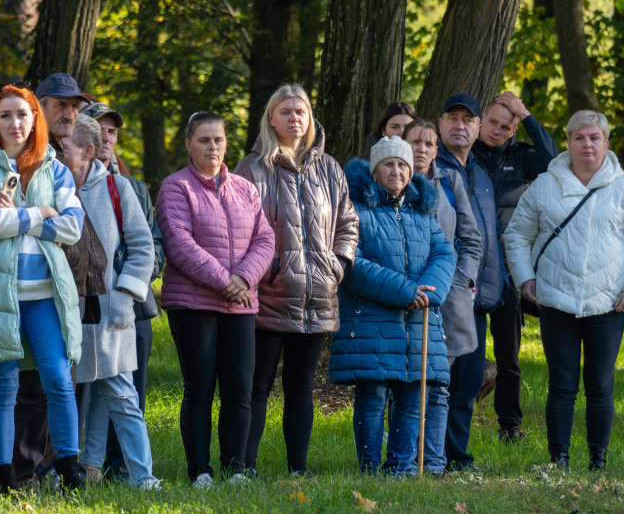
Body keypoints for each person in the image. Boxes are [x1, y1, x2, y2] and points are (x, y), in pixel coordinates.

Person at [504, 110, 624, 471]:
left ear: (606, 143)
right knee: (561, 385)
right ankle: (558, 460)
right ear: (569, 142)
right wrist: (525, 277)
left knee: (600, 386)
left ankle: (597, 462)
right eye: (579, 137)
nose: (587, 144)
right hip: (556, 301)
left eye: (594, 138)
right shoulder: (545, 185)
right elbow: (516, 235)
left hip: (607, 304)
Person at [0, 84, 85, 494]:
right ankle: (3, 478)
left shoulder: (56, 168)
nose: (15, 123)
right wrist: (41, 212)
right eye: (5, 115)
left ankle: (70, 469)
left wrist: (18, 215)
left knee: (58, 378)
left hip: (45, 298)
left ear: (36, 119)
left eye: (22, 114)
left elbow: (72, 228)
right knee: (4, 387)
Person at [236, 84, 359, 478]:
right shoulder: (252, 168)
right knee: (258, 384)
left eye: (301, 111)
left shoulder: (330, 168)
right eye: (285, 111)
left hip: (318, 295)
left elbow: (348, 223)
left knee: (301, 386)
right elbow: (238, 229)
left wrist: (337, 264)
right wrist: (265, 270)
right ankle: (246, 466)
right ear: (270, 117)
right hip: (270, 294)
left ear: (309, 118)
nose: (294, 117)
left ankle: (297, 468)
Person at [156, 111, 275, 487]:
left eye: (219, 140)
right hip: (193, 305)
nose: (212, 146)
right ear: (188, 144)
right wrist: (226, 281)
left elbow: (265, 238)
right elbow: (178, 243)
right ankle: (200, 471)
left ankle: (235, 469)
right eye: (204, 139)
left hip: (240, 304)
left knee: (240, 388)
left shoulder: (245, 188)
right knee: (201, 388)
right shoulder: (176, 187)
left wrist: (243, 278)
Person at [331, 137, 455, 475]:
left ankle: (400, 468)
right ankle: (370, 468)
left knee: (412, 396)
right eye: (388, 164)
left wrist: (429, 292)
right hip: (373, 321)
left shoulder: (422, 213)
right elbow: (352, 264)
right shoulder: (356, 210)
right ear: (375, 170)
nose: (396, 171)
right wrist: (405, 291)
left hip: (418, 321)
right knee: (372, 397)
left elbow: (444, 253)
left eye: (402, 165)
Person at [62, 115, 160, 489]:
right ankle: (77, 469)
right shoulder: (52, 187)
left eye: (65, 147)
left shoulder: (117, 188)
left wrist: (124, 296)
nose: (58, 153)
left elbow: (142, 246)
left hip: (108, 308)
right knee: (68, 391)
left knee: (119, 392)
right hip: (63, 307)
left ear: (88, 151)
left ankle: (143, 476)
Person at [474, 92, 556, 443]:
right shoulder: (464, 154)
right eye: (492, 122)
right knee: (468, 352)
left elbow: (554, 160)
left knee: (508, 356)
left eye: (506, 126)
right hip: (471, 267)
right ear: (481, 120)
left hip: (507, 268)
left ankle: (510, 425)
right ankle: (456, 419)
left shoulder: (522, 157)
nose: (496, 130)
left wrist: (528, 116)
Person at [405, 119, 482, 475]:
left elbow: (472, 238)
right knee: (404, 384)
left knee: (439, 383)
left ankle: (434, 461)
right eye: (415, 142)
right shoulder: (391, 181)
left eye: (429, 144)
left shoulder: (450, 182)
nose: (422, 149)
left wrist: (463, 278)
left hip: (448, 301)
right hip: (404, 297)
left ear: (437, 150)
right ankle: (405, 457)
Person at [433, 93, 504, 472]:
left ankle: (456, 456)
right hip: (445, 290)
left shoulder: (481, 171)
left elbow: (486, 234)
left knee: (470, 378)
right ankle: (432, 454)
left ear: (479, 127)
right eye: (452, 118)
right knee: (442, 377)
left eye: (468, 120)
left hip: (479, 293)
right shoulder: (432, 168)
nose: (460, 126)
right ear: (440, 124)